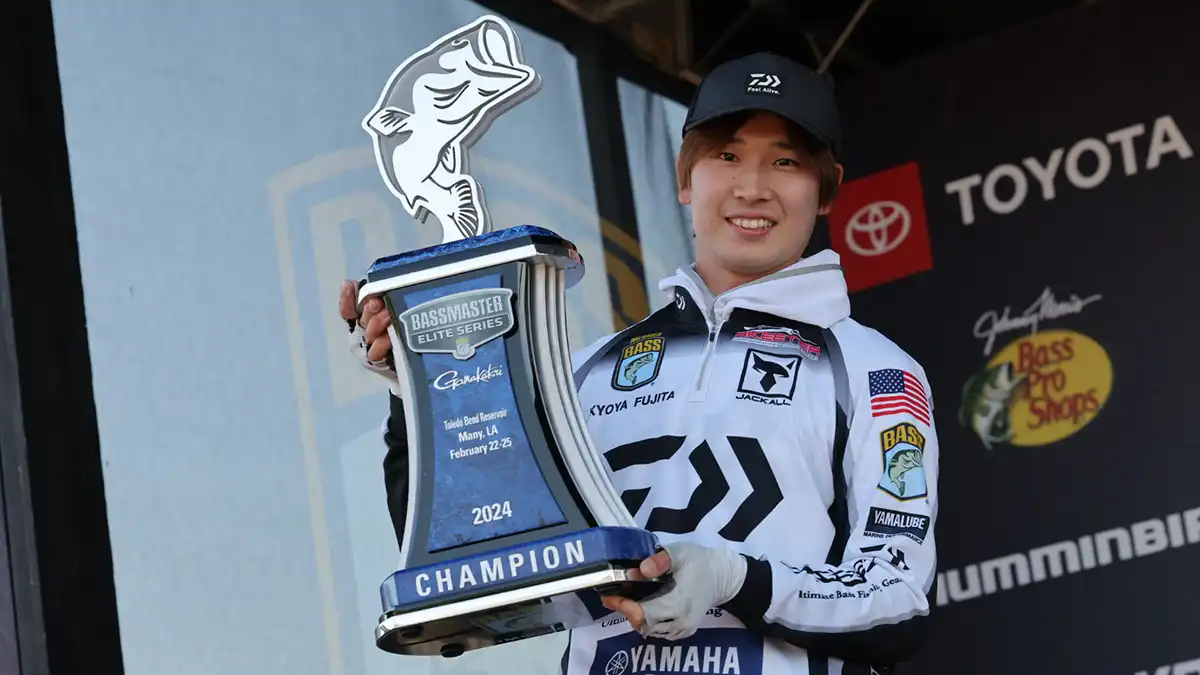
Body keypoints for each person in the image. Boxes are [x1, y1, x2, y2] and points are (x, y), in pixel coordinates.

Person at [339, 51, 939, 675]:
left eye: (785, 162)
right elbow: (471, 552)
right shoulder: (582, 374)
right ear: (685, 179)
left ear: (826, 189)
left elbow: (897, 600)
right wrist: (420, 392)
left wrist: (735, 578)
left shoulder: (875, 372)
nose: (752, 187)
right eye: (726, 156)